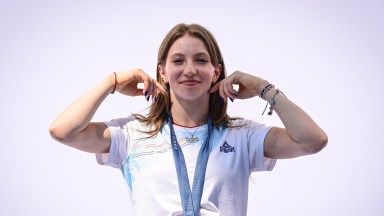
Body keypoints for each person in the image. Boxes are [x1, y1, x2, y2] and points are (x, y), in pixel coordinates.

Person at [49, 23, 328, 216]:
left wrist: (264, 88)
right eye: (179, 61)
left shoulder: (242, 135)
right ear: (162, 72)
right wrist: (111, 81)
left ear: (216, 71)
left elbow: (313, 141)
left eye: (201, 60)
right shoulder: (133, 133)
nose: (190, 70)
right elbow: (63, 131)